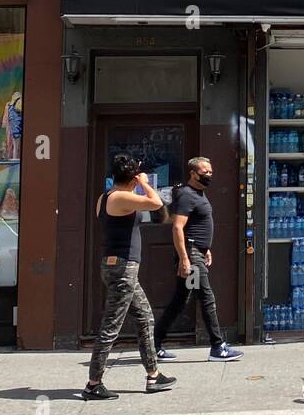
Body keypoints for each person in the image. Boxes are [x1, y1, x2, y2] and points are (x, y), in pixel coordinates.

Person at [83, 154, 176, 400]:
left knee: (145, 317)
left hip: (117, 266)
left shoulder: (104, 198)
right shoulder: (120, 197)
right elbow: (156, 203)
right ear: (132, 179)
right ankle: (93, 383)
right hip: (122, 268)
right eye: (137, 177)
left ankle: (153, 375)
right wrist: (146, 182)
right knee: (111, 326)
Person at [153, 156, 243, 362]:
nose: (209, 175)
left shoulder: (198, 194)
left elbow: (198, 224)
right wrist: (186, 258)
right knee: (206, 298)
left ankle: (154, 343)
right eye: (205, 172)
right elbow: (177, 227)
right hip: (192, 256)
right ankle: (217, 346)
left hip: (197, 252)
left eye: (211, 171)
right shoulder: (187, 195)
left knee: (181, 299)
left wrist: (206, 249)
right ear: (193, 173)